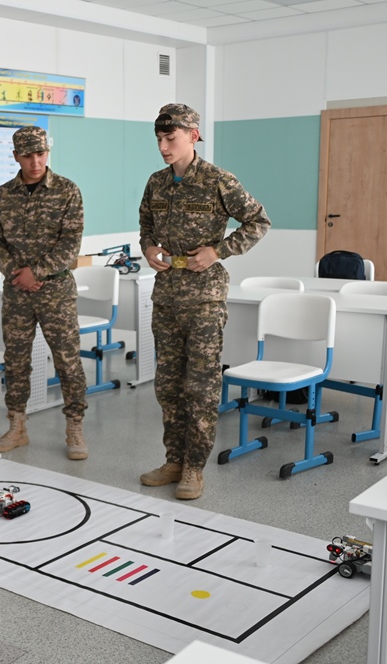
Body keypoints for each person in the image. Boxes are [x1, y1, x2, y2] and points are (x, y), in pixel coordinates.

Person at [137, 104, 271, 500]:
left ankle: (194, 468)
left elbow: (258, 221)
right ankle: (174, 460)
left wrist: (218, 251)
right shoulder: (156, 182)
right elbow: (146, 223)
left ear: (193, 136)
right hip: (167, 295)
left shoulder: (217, 180)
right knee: (168, 385)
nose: (163, 146)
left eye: (170, 138)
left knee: (200, 386)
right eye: (159, 139)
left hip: (204, 298)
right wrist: (148, 247)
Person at [0, 126, 88, 460]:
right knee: (15, 361)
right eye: (27, 155)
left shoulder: (67, 191)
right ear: (16, 156)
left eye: (40, 154)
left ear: (47, 152)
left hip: (56, 291)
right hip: (17, 291)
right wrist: (17, 273)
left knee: (68, 361)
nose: (35, 162)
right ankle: (17, 426)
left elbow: (71, 243)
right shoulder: (3, 195)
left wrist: (37, 272)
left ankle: (74, 427)